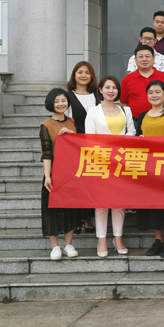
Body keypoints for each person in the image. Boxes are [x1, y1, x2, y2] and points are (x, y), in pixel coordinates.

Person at [84, 76, 136, 257]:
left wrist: (118, 142)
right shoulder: (93, 111)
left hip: (121, 162)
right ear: (100, 90)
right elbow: (89, 139)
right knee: (101, 204)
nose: (111, 91)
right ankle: (101, 240)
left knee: (119, 203)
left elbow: (132, 132)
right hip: (100, 162)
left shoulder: (125, 110)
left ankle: (118, 238)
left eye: (114, 87)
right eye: (107, 87)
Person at [135, 80, 164, 259]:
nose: (154, 95)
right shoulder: (142, 116)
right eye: (151, 92)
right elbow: (136, 139)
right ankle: (158, 240)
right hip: (148, 167)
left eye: (158, 91)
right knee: (152, 204)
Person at [40, 88, 79, 261]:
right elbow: (46, 153)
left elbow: (79, 145)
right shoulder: (46, 125)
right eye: (56, 101)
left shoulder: (72, 122)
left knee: (70, 209)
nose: (60, 104)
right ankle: (55, 246)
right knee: (51, 210)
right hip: (54, 172)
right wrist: (47, 176)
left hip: (70, 173)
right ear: (51, 103)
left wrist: (72, 134)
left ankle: (68, 244)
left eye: (63, 100)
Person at [65, 61, 100, 234]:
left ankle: (88, 219)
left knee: (91, 181)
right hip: (74, 144)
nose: (83, 75)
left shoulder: (97, 96)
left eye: (87, 72)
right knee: (77, 182)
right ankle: (76, 219)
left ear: (92, 76)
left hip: (94, 144)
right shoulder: (67, 96)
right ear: (74, 75)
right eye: (80, 72)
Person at [120, 45, 164, 118]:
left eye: (147, 56)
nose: (144, 59)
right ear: (135, 59)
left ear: (153, 58)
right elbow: (123, 103)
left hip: (161, 119)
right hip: (135, 120)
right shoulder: (127, 79)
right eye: (140, 57)